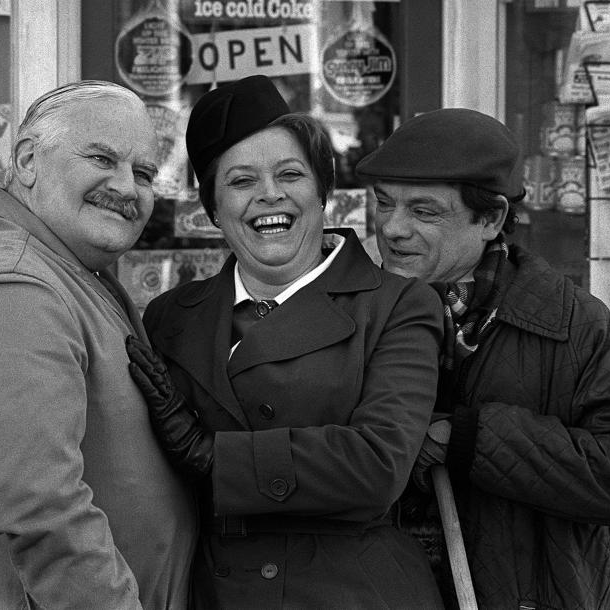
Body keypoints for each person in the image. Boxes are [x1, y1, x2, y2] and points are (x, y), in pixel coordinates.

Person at [125, 74, 445, 609]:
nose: (269, 194)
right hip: (211, 593)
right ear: (212, 210)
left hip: (357, 594)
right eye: (241, 181)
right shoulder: (170, 317)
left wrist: (212, 457)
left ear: (323, 192)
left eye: (290, 174)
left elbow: (379, 464)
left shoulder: (397, 305)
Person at [354, 108, 610, 609]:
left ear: (492, 218)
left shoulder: (574, 325)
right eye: (384, 203)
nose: (392, 228)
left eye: (423, 211)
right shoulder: (353, 314)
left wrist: (466, 439)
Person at [0, 80, 197, 609]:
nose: (127, 188)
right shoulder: (8, 287)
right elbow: (38, 506)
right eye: (102, 158)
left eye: (145, 173)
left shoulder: (63, 270)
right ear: (29, 160)